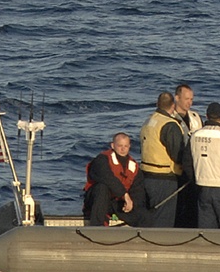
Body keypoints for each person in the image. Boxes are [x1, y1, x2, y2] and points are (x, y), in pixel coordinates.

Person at [138, 91, 185, 226]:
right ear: (173, 106)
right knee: (164, 219)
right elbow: (177, 154)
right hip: (164, 178)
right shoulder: (169, 124)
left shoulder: (149, 121)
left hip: (146, 175)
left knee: (152, 217)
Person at [82, 132, 143, 226]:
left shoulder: (134, 166)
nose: (123, 149)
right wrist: (125, 195)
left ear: (129, 146)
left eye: (126, 146)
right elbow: (107, 178)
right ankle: (97, 228)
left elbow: (137, 190)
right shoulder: (102, 159)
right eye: (120, 146)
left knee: (144, 213)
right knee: (102, 188)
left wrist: (131, 204)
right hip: (96, 201)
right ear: (113, 145)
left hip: (117, 203)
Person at [171, 82, 204, 226]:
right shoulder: (169, 117)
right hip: (176, 168)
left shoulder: (196, 117)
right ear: (177, 98)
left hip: (194, 166)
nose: (189, 103)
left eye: (191, 99)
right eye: (186, 99)